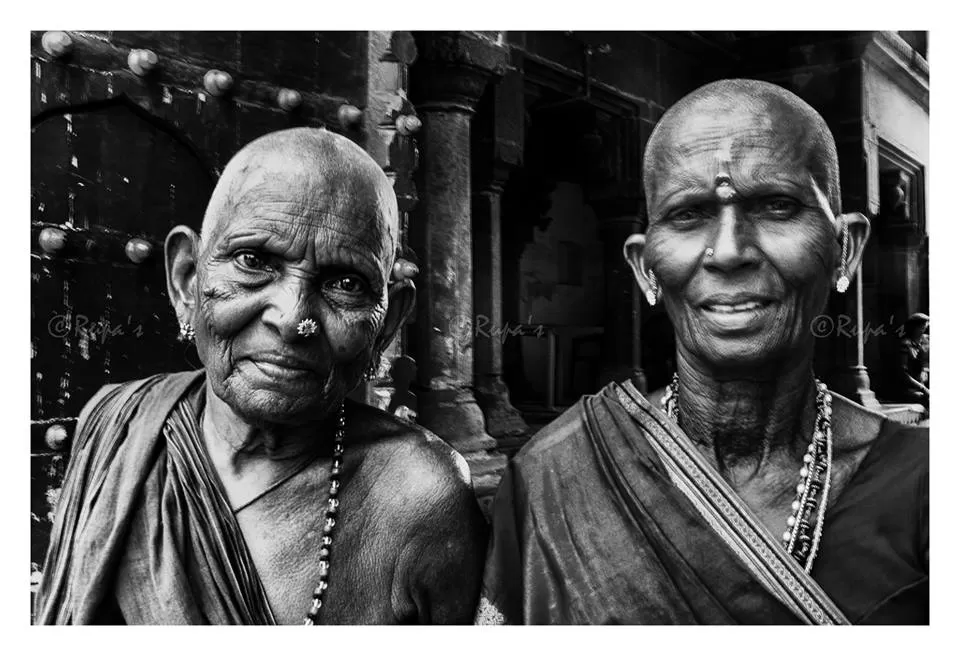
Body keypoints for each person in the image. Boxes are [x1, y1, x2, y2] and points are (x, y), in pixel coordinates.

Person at [477, 80, 928, 625]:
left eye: (778, 206)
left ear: (845, 249)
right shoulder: (550, 476)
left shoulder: (926, 488)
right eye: (689, 214)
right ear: (646, 267)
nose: (730, 251)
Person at [35, 127, 488, 625]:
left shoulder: (421, 498)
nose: (294, 319)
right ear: (187, 280)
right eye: (254, 261)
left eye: (345, 283)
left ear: (388, 321)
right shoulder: (115, 425)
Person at [896, 313, 930, 408]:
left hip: (922, 385)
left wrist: (925, 370)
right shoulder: (905, 345)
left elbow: (926, 361)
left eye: (925, 327)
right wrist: (923, 388)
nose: (924, 331)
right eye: (922, 327)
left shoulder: (925, 341)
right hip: (909, 388)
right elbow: (903, 374)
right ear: (914, 328)